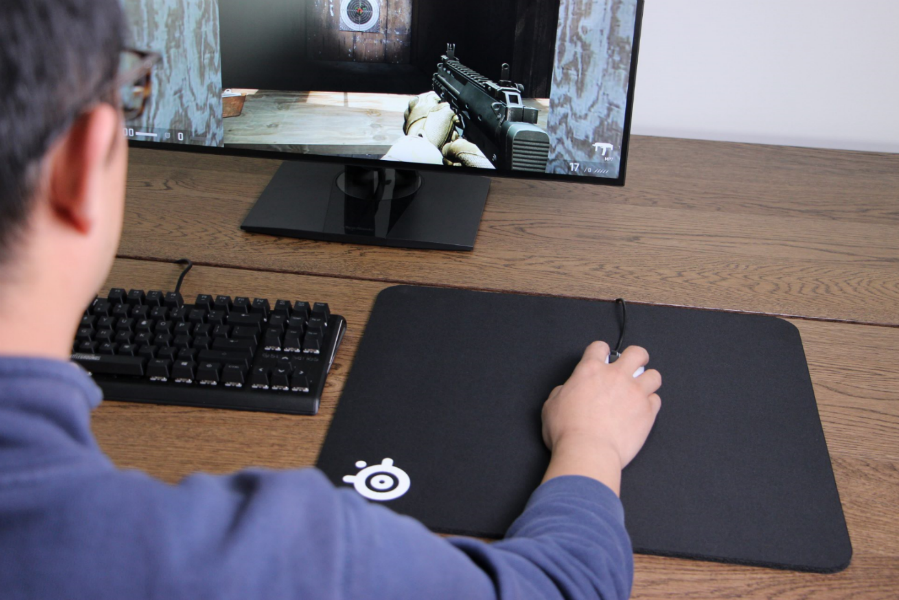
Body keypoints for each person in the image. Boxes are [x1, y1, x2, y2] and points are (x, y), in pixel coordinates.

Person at [0, 1, 662, 598]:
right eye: (132, 93)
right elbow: (565, 585)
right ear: (82, 164)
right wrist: (591, 443)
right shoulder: (275, 553)